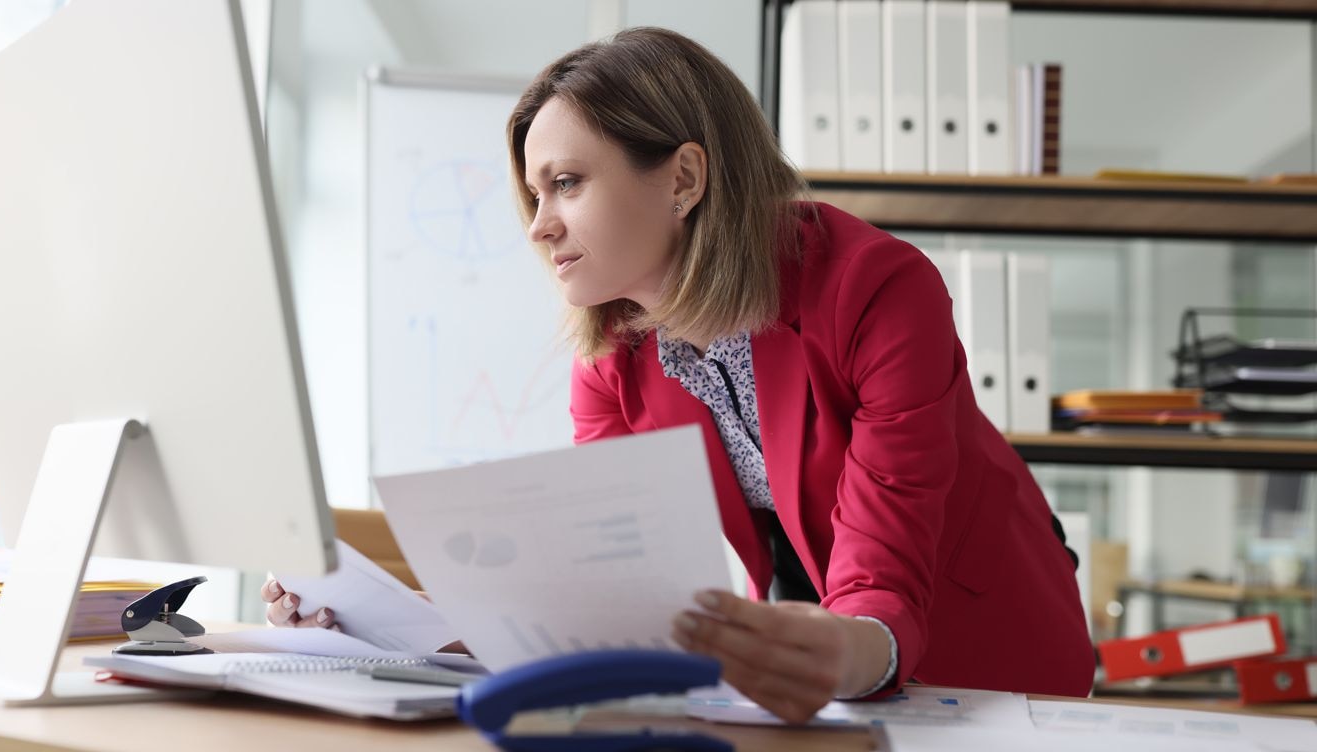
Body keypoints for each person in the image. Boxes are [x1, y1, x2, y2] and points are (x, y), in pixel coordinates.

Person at [266, 26, 1094, 724]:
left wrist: (842, 648)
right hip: (823, 665)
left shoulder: (877, 289)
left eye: (566, 183)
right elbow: (609, 598)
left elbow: (885, 561)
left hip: (983, 657)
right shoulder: (614, 359)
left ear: (685, 178)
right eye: (533, 194)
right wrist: (393, 631)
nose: (540, 226)